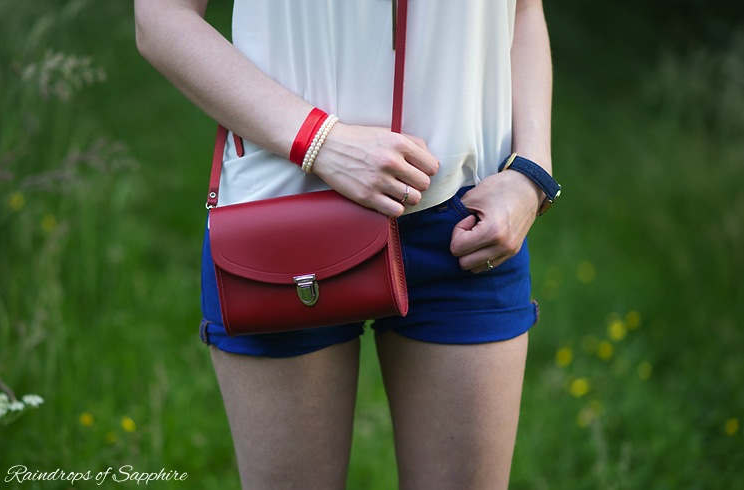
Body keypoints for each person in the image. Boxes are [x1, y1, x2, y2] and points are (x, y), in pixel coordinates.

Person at [135, 0, 557, 488]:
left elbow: (524, 10)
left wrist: (532, 171)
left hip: (468, 223)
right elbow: (160, 18)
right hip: (284, 215)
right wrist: (320, 141)